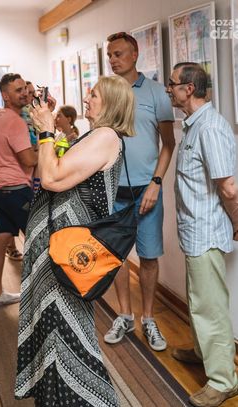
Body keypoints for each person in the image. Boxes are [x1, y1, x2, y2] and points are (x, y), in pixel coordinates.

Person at [15, 75, 135, 406]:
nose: (86, 99)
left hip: (68, 253)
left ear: (110, 103)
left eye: (93, 95)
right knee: (52, 328)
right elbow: (55, 167)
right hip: (58, 248)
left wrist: (45, 131)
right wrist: (49, 133)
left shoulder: (106, 136)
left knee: (67, 332)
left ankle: (91, 398)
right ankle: (55, 398)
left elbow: (51, 177)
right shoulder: (95, 135)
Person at [167, 62, 238, 407]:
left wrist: (237, 223)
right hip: (195, 231)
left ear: (189, 89)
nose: (169, 89)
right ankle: (202, 351)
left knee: (210, 307)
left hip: (206, 232)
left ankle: (223, 381)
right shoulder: (193, 125)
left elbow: (229, 188)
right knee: (198, 300)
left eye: (172, 84)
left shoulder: (209, 128)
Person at [104, 32, 175, 352]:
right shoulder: (107, 92)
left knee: (148, 257)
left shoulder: (156, 92)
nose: (112, 60)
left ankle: (148, 318)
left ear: (134, 55)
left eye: (118, 54)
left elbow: (168, 144)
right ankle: (124, 315)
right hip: (113, 189)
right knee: (116, 256)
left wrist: (156, 184)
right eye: (110, 55)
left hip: (147, 191)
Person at [0, 73, 37, 307]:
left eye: (24, 88)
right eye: (18, 90)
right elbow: (29, 160)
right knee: (38, 240)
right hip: (15, 189)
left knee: (1, 237)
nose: (24, 93)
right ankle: (40, 299)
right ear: (6, 96)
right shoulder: (15, 121)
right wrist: (49, 148)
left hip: (0, 187)